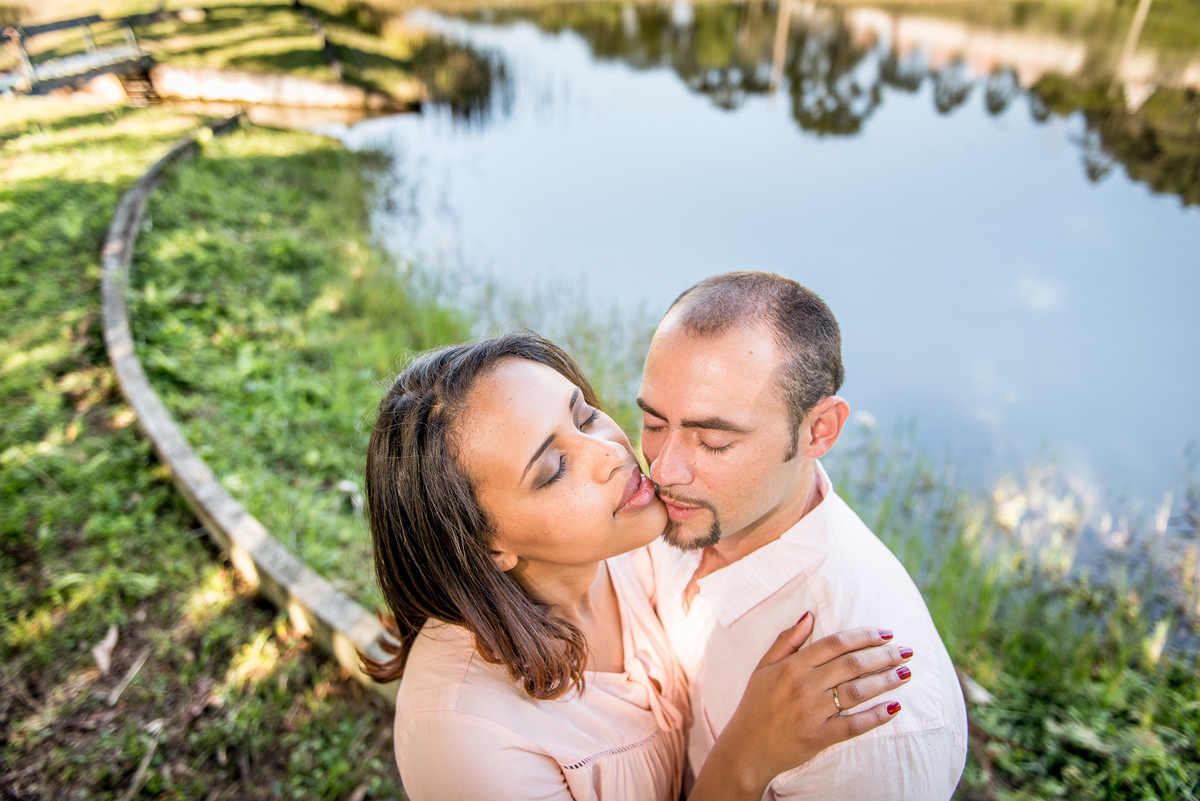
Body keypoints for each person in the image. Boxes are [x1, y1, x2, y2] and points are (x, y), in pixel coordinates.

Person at [362, 332, 916, 801]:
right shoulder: (466, 738)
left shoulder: (626, 549)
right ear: (486, 547)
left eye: (584, 415)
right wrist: (747, 758)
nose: (610, 452)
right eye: (554, 469)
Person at [637, 271, 969, 799]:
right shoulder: (676, 514)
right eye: (654, 425)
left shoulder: (873, 726)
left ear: (819, 431)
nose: (663, 469)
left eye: (714, 440)